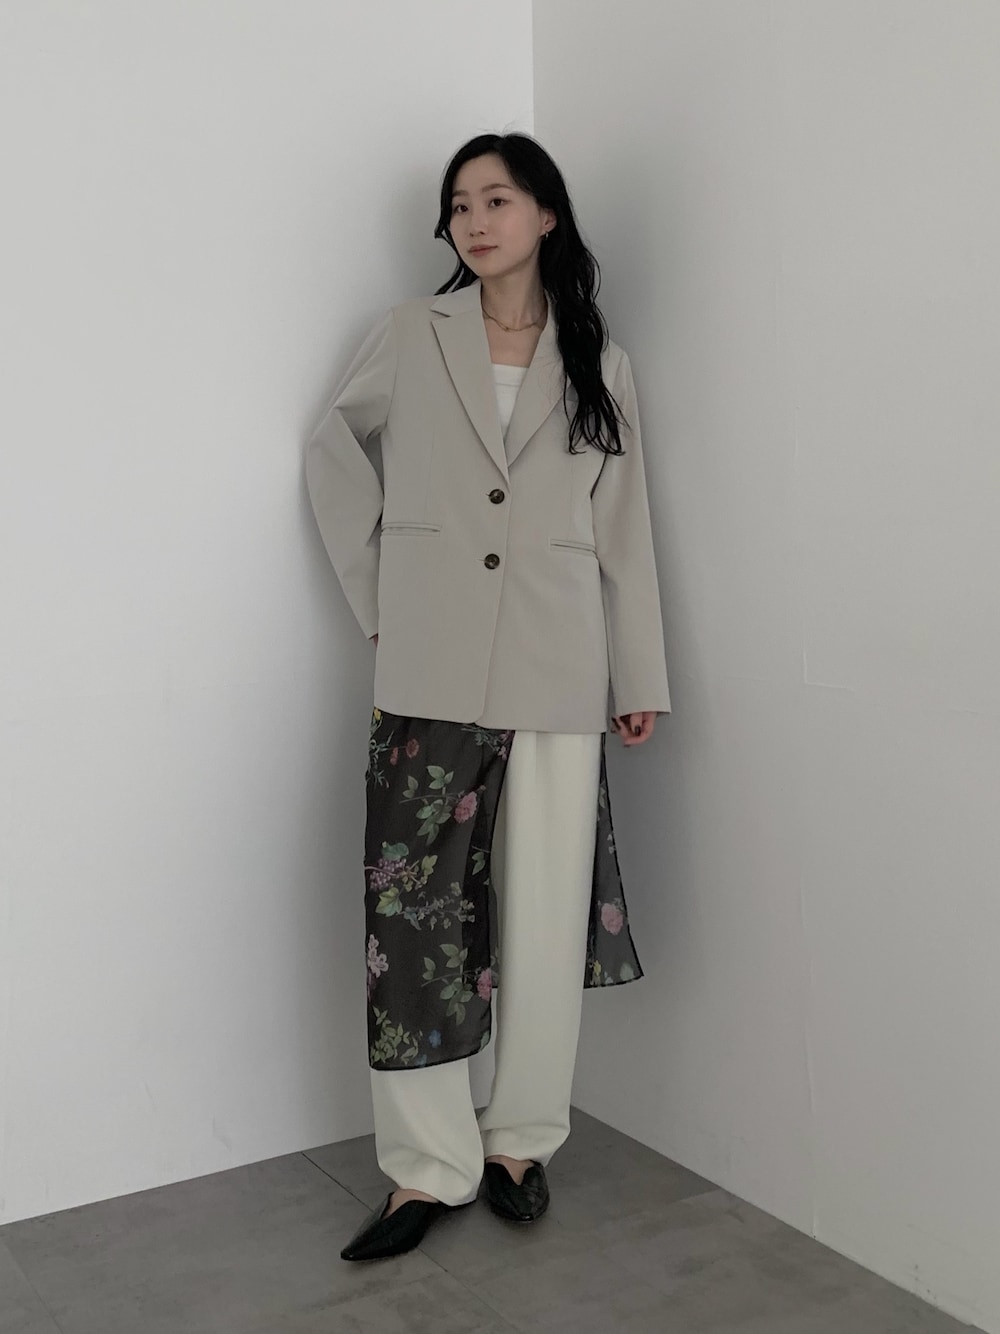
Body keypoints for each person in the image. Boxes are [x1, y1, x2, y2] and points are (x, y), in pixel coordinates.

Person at [305, 131, 671, 1261]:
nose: (473, 219)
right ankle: (426, 1166)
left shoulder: (599, 358)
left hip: (558, 666)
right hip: (428, 666)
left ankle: (520, 1142)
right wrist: (384, 597)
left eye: (496, 199)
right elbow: (331, 450)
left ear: (546, 214)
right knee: (411, 919)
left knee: (543, 912)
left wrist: (639, 673)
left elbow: (625, 526)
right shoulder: (412, 333)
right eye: (458, 204)